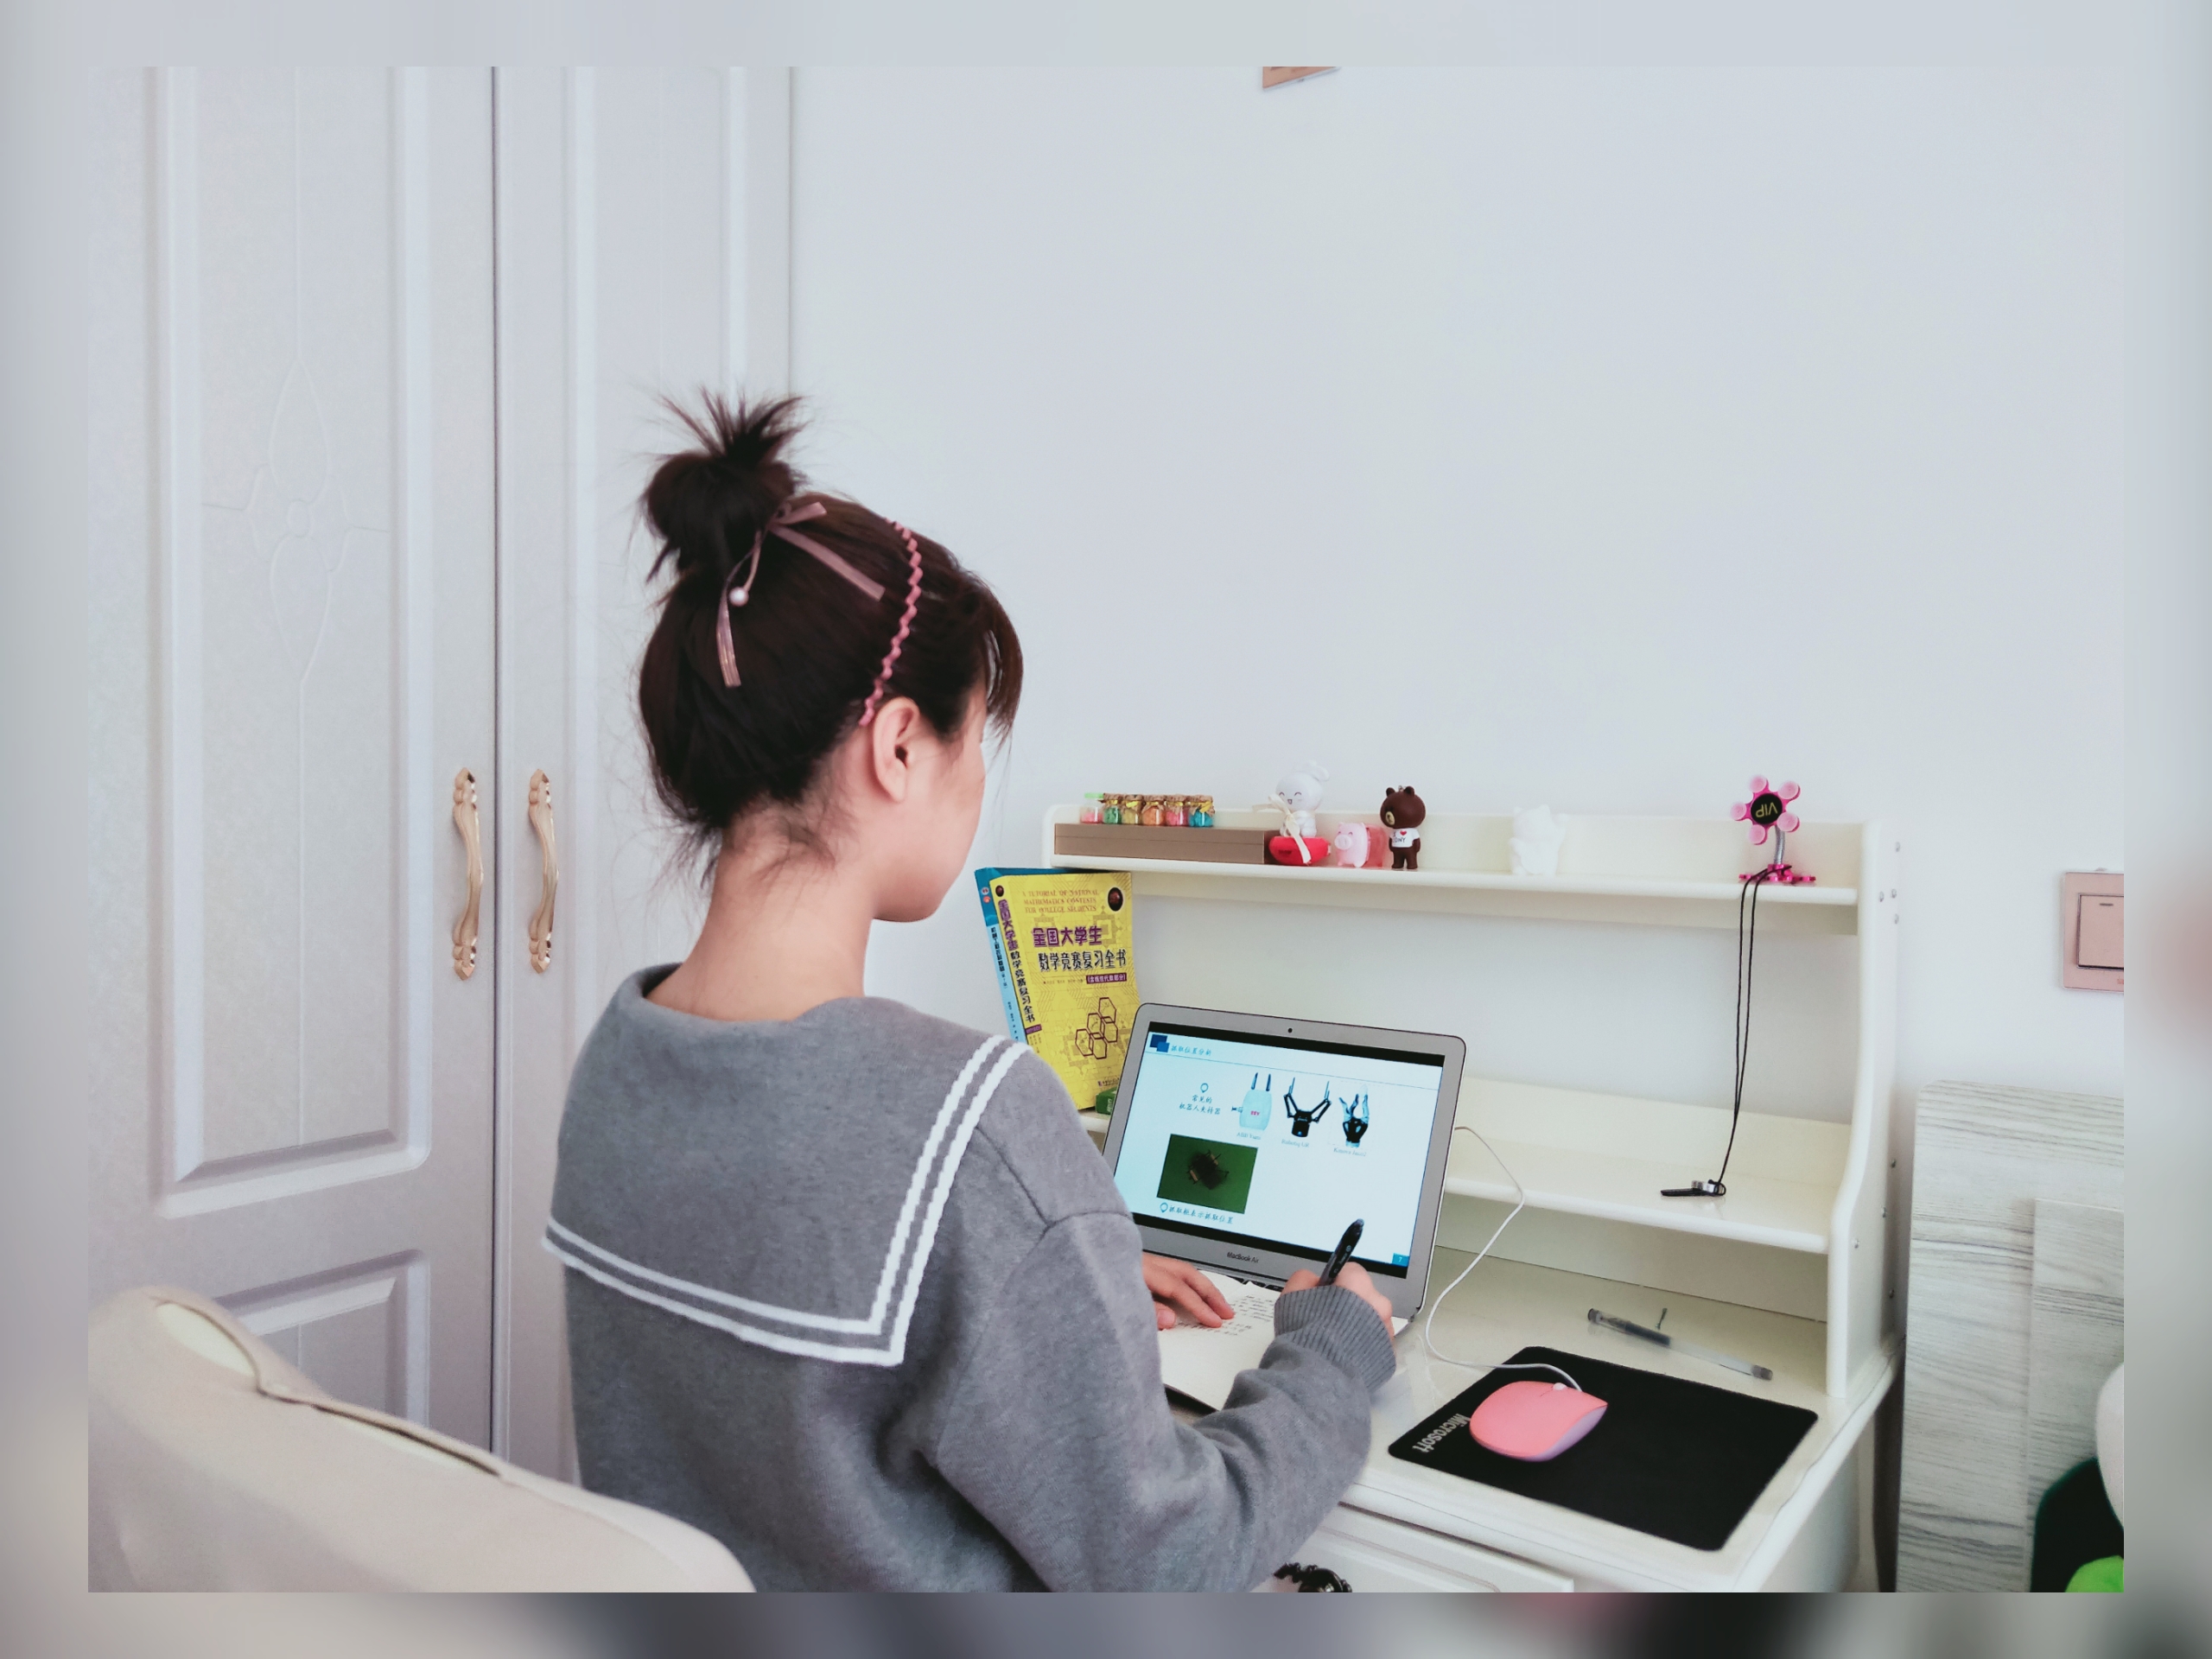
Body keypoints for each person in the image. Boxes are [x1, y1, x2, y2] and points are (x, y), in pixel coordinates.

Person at [547, 397, 1397, 1590]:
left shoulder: (620, 1064)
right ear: (899, 745)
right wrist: (1335, 1352)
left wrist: (1046, 1282)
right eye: (976, 739)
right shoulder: (969, 1124)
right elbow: (1173, 1559)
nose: (980, 780)